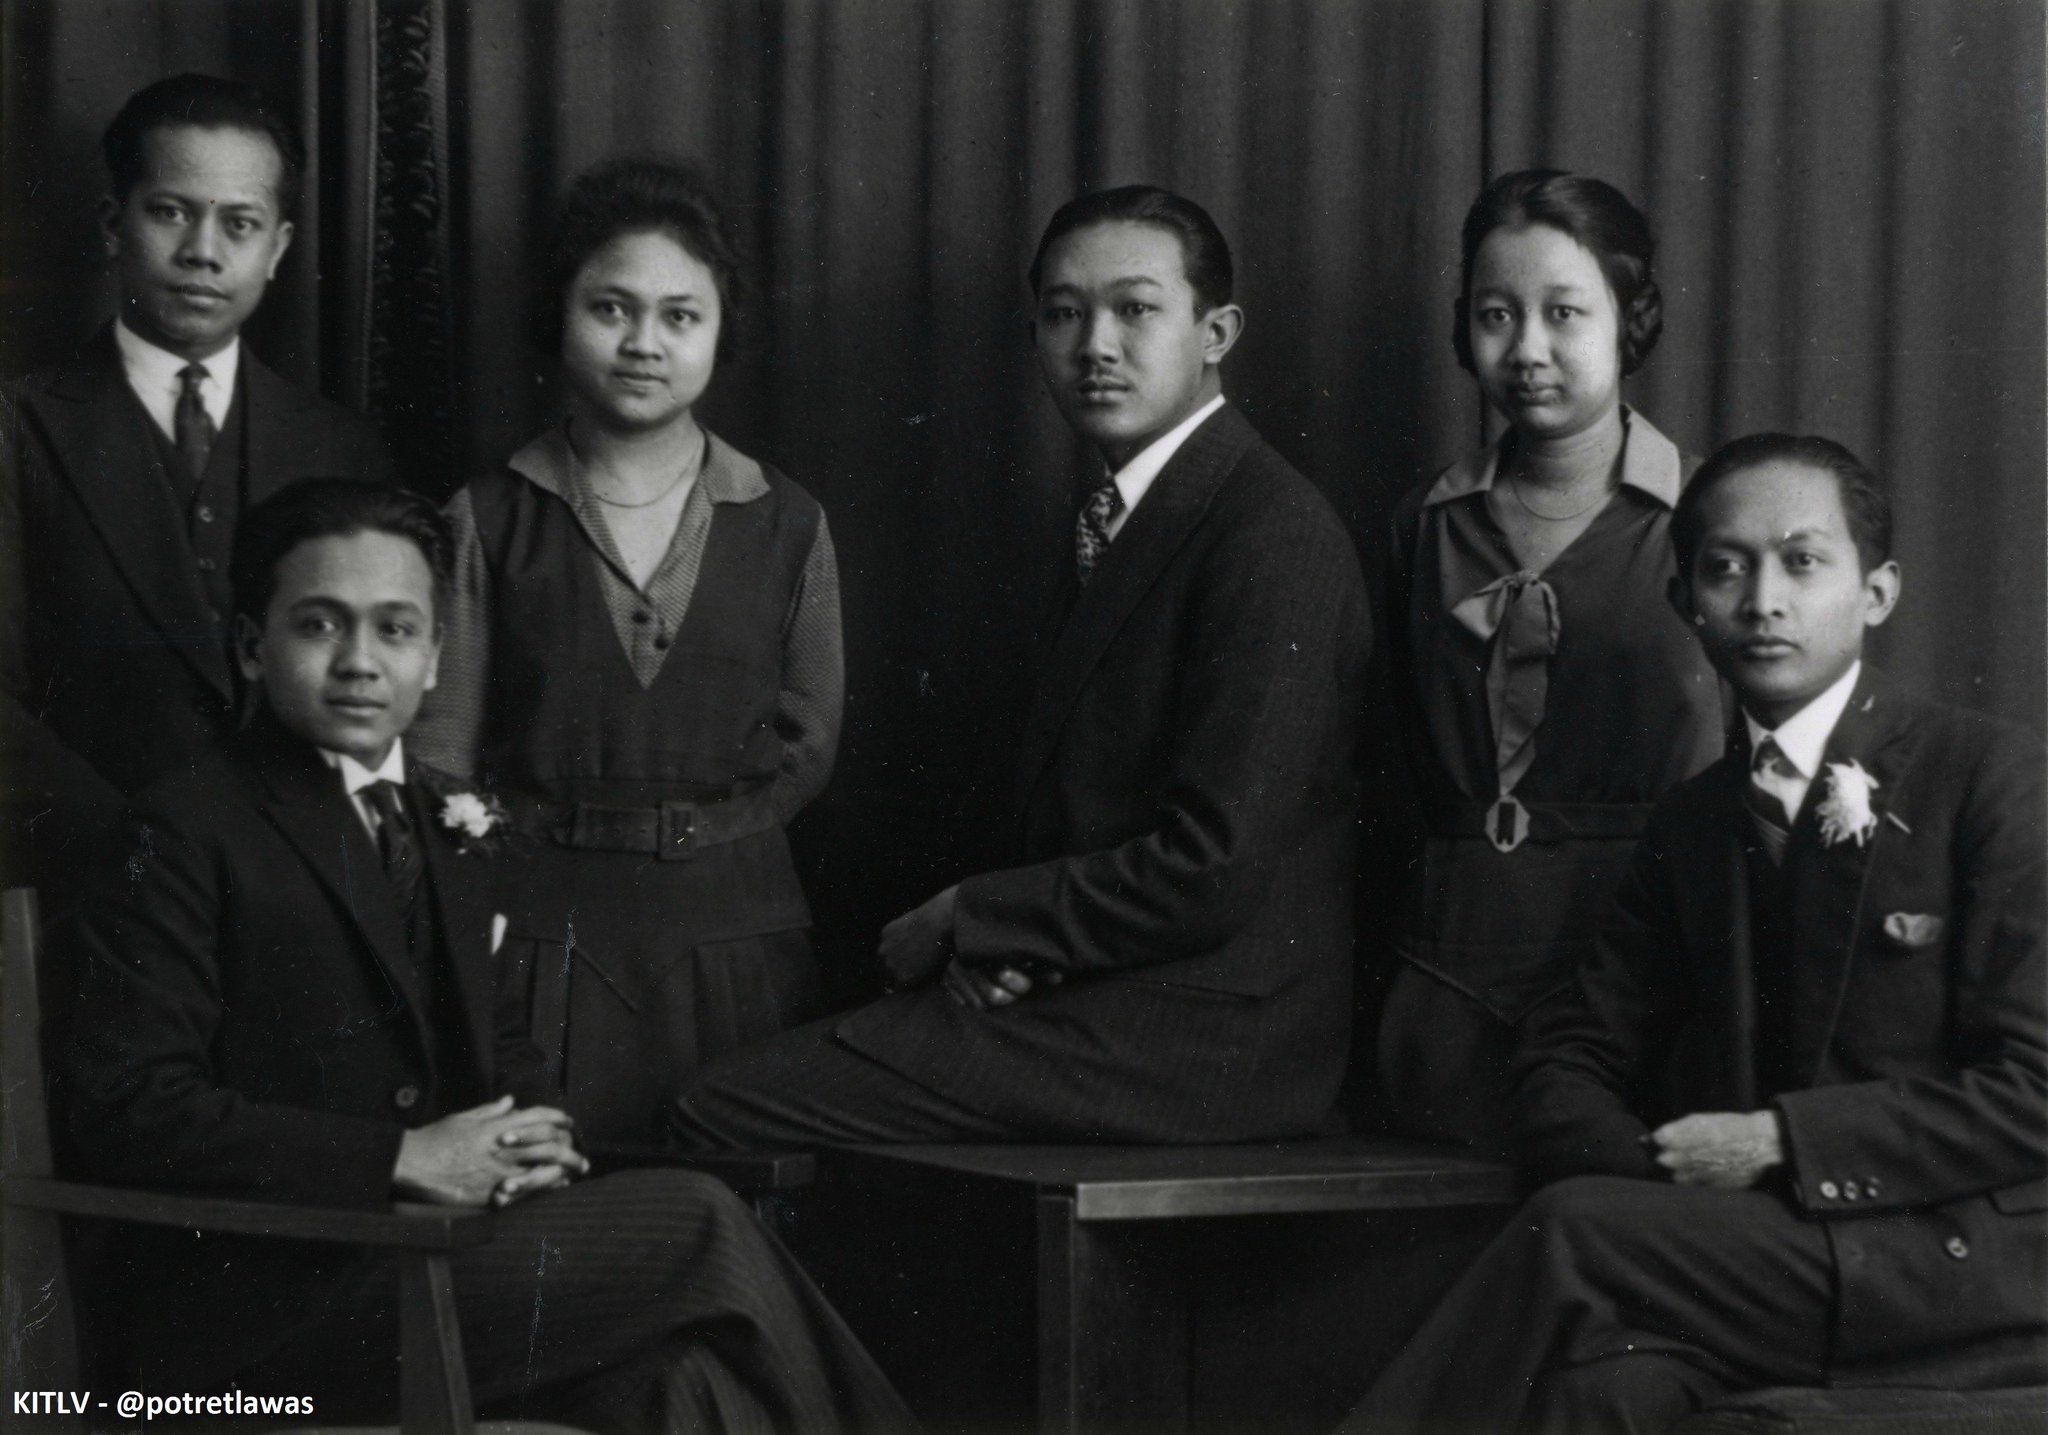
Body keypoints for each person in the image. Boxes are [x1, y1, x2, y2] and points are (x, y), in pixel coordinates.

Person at [57, 478, 910, 1432]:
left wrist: (535, 1125)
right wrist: (401, 1157)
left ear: (434, 660)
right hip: (265, 1314)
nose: (360, 662)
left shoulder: (447, 821)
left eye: (395, 629)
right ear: (254, 648)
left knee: (687, 1388)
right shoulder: (184, 828)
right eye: (320, 626)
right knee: (704, 1222)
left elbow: (503, 1042)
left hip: (431, 1269)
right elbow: (127, 1107)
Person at [1337, 434, 2045, 1433]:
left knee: (1573, 1234)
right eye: (1723, 567)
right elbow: (1570, 1048)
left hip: (1958, 1270)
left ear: (1875, 592)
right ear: (1683, 604)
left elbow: (2035, 1089)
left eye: (1801, 561)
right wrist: (1657, 1172)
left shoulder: (1989, 777)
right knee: (1598, 1395)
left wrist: (1769, 1144)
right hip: (1766, 1263)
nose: (1760, 598)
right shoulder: (1690, 822)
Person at [670, 185, 1371, 1149]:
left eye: (1136, 309)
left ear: (1217, 332)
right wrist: (1008, 947)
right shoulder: (1122, 517)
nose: (1096, 346)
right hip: (1110, 995)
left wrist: (977, 918)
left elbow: (1213, 867)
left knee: (722, 1108)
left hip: (1211, 1036)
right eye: (1063, 314)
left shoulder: (1271, 533)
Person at [407, 159, 843, 1144]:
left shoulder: (787, 520)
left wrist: (697, 839)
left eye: (679, 315)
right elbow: (437, 758)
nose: (644, 342)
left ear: (720, 329)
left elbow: (808, 746)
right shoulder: (483, 517)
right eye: (611, 307)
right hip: (539, 943)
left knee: (743, 1201)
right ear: (558, 316)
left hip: (737, 940)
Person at [1375, 169, 1723, 1150]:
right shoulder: (1423, 527)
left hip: (1639, 958)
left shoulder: (1706, 518)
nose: (1526, 349)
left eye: (1562, 313)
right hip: (1449, 967)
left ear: (1628, 320)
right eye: (1495, 315)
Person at [0, 74, 394, 900]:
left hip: (293, 896)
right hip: (91, 888)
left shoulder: (341, 446)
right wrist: (143, 848)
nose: (203, 252)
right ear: (114, 224)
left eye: (239, 224)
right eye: (171, 212)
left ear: (277, 249)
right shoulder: (19, 425)